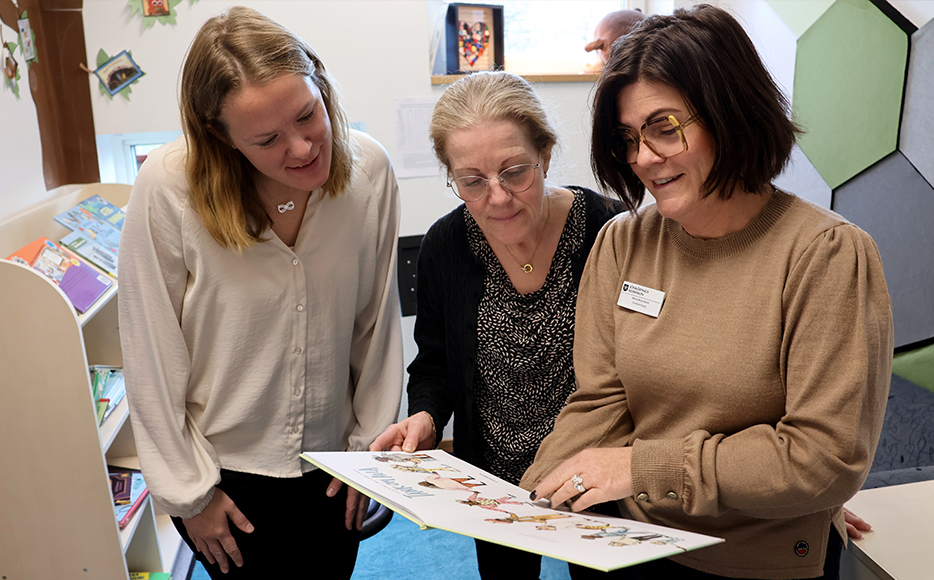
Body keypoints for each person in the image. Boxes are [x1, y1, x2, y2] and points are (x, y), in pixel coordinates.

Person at [523, 5, 893, 580]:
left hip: (760, 562)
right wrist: (525, 498)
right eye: (628, 139)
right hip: (626, 541)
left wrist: (641, 469)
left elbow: (823, 459)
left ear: (731, 113)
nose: (644, 159)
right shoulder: (623, 242)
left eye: (664, 127)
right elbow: (600, 402)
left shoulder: (826, 255)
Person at [117, 7, 403, 579]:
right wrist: (189, 494)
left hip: (335, 462)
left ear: (320, 84)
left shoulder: (368, 170)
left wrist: (370, 454)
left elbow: (375, 326)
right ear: (220, 136)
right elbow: (150, 351)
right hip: (223, 474)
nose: (301, 148)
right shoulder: (168, 187)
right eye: (267, 139)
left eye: (307, 115)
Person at [370, 71, 623, 578]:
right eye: (472, 182)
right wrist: (425, 417)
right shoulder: (445, 246)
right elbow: (437, 363)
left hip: (596, 473)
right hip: (496, 483)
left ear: (546, 155)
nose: (499, 198)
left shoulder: (610, 230)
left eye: (515, 172)